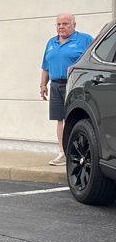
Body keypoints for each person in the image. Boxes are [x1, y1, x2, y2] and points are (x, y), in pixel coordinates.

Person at [40, 13, 93, 165]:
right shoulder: (51, 42)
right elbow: (45, 66)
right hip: (55, 85)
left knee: (78, 118)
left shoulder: (85, 39)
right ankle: (62, 153)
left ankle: (81, 151)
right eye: (58, 24)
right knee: (60, 120)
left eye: (65, 24)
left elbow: (93, 59)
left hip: (75, 85)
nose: (61, 27)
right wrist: (43, 85)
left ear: (74, 25)